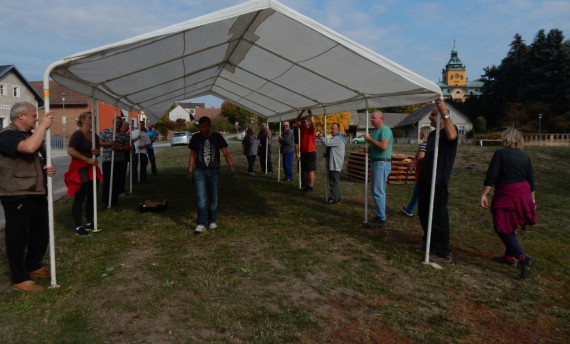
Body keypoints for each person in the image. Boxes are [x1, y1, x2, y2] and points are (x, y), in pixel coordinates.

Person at [0, 102, 56, 292]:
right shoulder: (7, 135)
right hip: (17, 193)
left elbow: (39, 156)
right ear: (20, 116)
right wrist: (42, 127)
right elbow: (28, 148)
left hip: (36, 190)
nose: (37, 119)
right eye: (33, 116)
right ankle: (19, 277)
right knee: (17, 237)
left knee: (40, 233)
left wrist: (48, 167)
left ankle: (32, 264)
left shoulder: (30, 134)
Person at [481, 128, 536, 278]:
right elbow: (531, 181)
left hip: (507, 192)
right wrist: (532, 200)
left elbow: (491, 175)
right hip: (524, 193)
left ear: (505, 139)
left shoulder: (500, 154)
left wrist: (484, 194)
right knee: (509, 223)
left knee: (501, 226)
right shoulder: (525, 156)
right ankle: (509, 257)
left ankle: (522, 257)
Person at [408, 99, 458, 263]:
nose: (430, 119)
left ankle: (443, 252)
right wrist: (417, 162)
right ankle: (429, 243)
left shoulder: (449, 131)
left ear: (443, 117)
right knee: (423, 213)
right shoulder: (433, 135)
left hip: (438, 180)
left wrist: (445, 112)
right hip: (426, 179)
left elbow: (452, 136)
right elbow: (428, 156)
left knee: (439, 216)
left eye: (433, 116)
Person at [187, 116, 235, 233]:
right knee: (201, 198)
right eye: (200, 127)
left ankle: (212, 220)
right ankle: (201, 223)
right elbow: (192, 155)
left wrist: (231, 165)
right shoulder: (196, 138)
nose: (202, 130)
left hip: (214, 171)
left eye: (204, 127)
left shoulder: (217, 137)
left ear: (209, 126)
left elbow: (225, 152)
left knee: (213, 198)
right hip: (200, 171)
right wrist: (189, 171)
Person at [64, 112, 103, 236]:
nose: (93, 120)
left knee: (92, 198)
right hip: (80, 170)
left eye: (94, 118)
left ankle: (89, 222)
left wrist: (97, 152)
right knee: (80, 198)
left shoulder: (94, 136)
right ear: (82, 120)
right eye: (90, 118)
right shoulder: (77, 134)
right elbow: (70, 150)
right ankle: (78, 226)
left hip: (92, 170)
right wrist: (87, 160)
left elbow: (98, 153)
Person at [364, 110, 393, 228]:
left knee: (379, 191)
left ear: (381, 118)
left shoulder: (385, 130)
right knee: (375, 190)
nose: (371, 120)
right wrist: (368, 150)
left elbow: (384, 147)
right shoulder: (375, 132)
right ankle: (379, 215)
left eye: (373, 118)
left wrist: (370, 140)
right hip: (376, 162)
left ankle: (382, 219)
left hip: (382, 163)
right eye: (371, 118)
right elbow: (376, 147)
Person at [99, 117, 130, 208]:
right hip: (108, 160)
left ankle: (115, 200)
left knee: (117, 181)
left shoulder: (124, 135)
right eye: (117, 122)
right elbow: (99, 142)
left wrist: (119, 148)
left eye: (120, 123)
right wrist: (109, 143)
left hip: (119, 161)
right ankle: (105, 201)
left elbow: (128, 146)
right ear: (113, 122)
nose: (118, 124)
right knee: (107, 182)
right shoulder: (105, 132)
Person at [402, 126, 432, 217]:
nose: (419, 134)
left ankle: (410, 209)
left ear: (424, 134)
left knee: (418, 190)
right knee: (419, 190)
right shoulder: (432, 145)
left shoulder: (423, 145)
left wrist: (413, 163)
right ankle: (410, 209)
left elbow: (420, 159)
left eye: (420, 132)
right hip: (428, 171)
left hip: (421, 171)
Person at [318, 123, 346, 204]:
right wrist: (327, 154)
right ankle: (335, 195)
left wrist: (321, 137)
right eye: (331, 128)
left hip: (335, 163)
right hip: (333, 162)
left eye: (333, 129)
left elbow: (327, 143)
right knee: (333, 180)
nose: (331, 130)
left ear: (338, 130)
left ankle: (335, 198)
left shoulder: (338, 138)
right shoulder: (336, 138)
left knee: (334, 181)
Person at [295, 109, 317, 195]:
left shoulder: (311, 129)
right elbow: (296, 120)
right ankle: (308, 186)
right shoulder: (301, 128)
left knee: (311, 171)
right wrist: (301, 112)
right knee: (306, 171)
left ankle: (311, 187)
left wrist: (310, 113)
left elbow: (313, 123)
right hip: (303, 152)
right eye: (303, 122)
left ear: (308, 123)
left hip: (310, 152)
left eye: (305, 122)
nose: (304, 123)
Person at [293, 121, 307, 188]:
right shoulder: (299, 130)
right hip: (304, 150)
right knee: (303, 167)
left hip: (304, 151)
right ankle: (305, 182)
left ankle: (305, 182)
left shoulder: (297, 130)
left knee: (302, 167)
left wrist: (297, 153)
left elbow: (296, 143)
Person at [118, 122, 130, 196]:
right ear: (124, 126)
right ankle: (119, 190)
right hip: (121, 157)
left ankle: (122, 188)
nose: (128, 128)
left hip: (125, 157)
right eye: (128, 126)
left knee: (123, 174)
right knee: (120, 174)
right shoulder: (121, 135)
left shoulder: (126, 135)